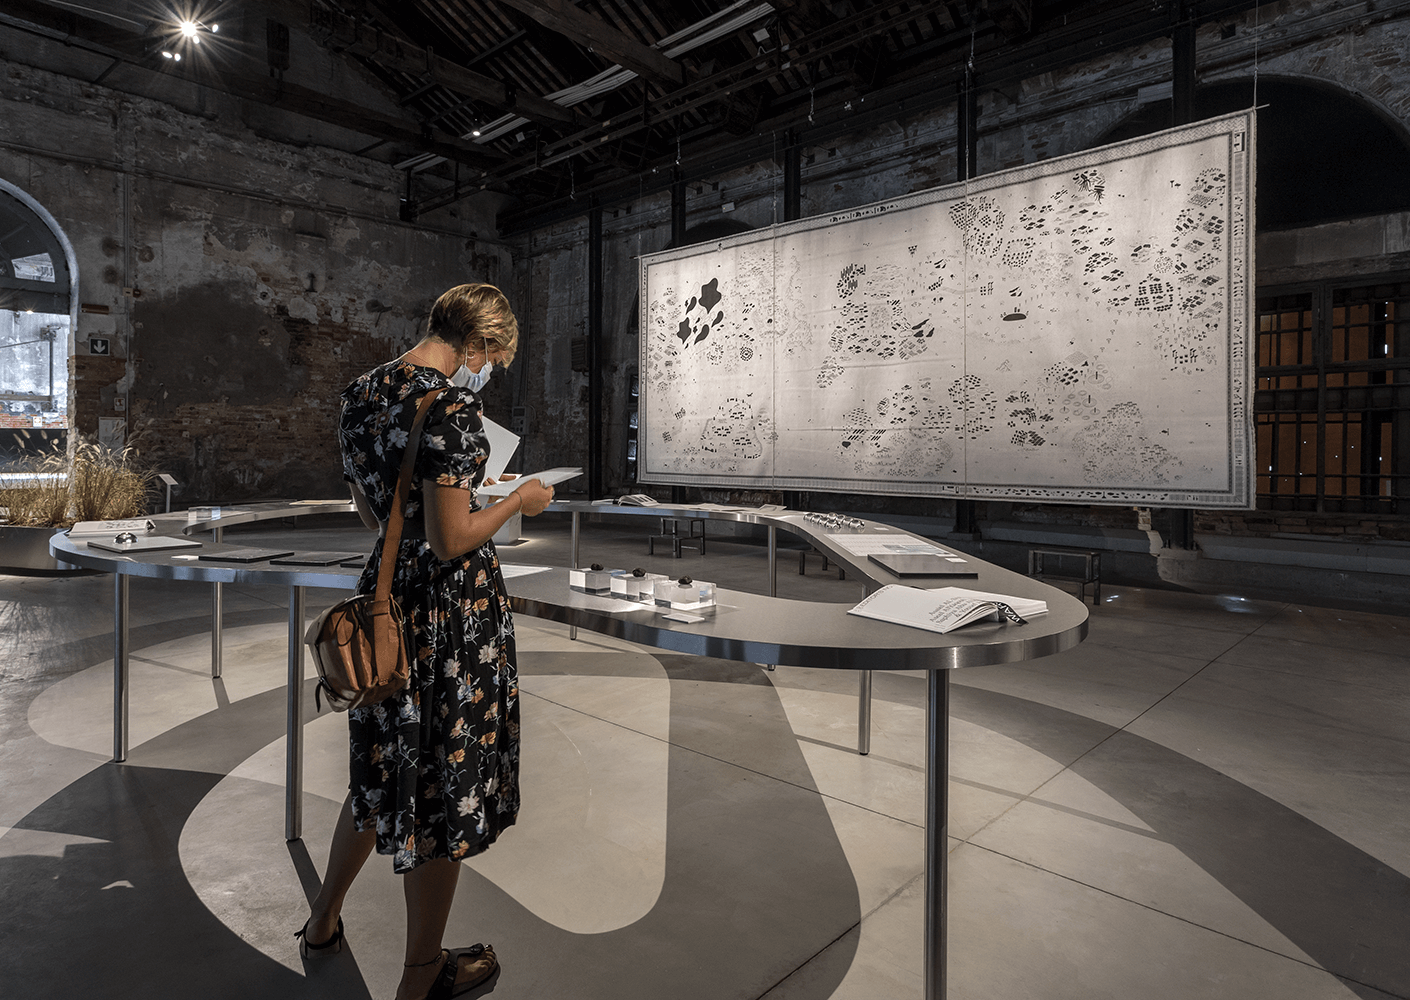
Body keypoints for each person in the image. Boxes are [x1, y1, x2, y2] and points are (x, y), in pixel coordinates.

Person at [297, 283, 554, 1000]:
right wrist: (516, 500)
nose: (491, 371)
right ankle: (420, 975)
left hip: (386, 612)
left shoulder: (361, 394)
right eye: (494, 358)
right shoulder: (453, 407)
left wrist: (455, 490)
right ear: (475, 345)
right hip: (449, 623)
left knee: (379, 768)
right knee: (446, 785)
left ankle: (323, 920)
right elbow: (451, 541)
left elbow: (375, 518)